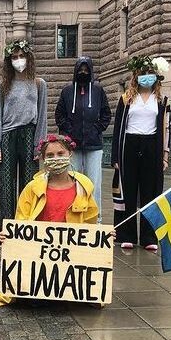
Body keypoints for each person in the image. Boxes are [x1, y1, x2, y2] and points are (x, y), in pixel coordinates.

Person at [0, 134, 99, 306]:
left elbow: (90, 223)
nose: (56, 158)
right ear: (42, 158)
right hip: (39, 258)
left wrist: (103, 238)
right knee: (35, 299)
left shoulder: (83, 188)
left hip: (70, 257)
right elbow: (21, 220)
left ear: (70, 154)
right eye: (50, 156)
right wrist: (10, 236)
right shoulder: (32, 189)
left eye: (60, 153)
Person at [111, 55, 170, 251]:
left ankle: (148, 236)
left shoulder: (161, 100)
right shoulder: (127, 98)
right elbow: (118, 126)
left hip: (151, 144)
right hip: (129, 144)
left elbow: (166, 128)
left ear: (157, 77)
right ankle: (126, 234)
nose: (147, 77)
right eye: (143, 74)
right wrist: (115, 157)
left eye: (150, 74)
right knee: (128, 191)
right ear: (136, 76)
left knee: (150, 192)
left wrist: (165, 155)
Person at [0, 39, 47, 228]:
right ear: (9, 61)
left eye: (22, 56)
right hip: (7, 136)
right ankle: (7, 229)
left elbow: (42, 115)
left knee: (29, 185)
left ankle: (27, 228)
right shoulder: (2, 85)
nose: (19, 60)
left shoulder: (39, 84)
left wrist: (40, 145)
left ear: (28, 58)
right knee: (6, 186)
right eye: (14, 57)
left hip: (30, 135)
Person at [55, 56, 111, 221]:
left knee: (94, 183)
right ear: (75, 70)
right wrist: (69, 132)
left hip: (94, 146)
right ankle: (73, 217)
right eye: (80, 69)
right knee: (72, 181)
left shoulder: (98, 91)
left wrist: (97, 129)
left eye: (86, 69)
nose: (83, 72)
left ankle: (96, 218)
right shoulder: (67, 92)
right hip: (73, 146)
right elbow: (59, 115)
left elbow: (106, 113)